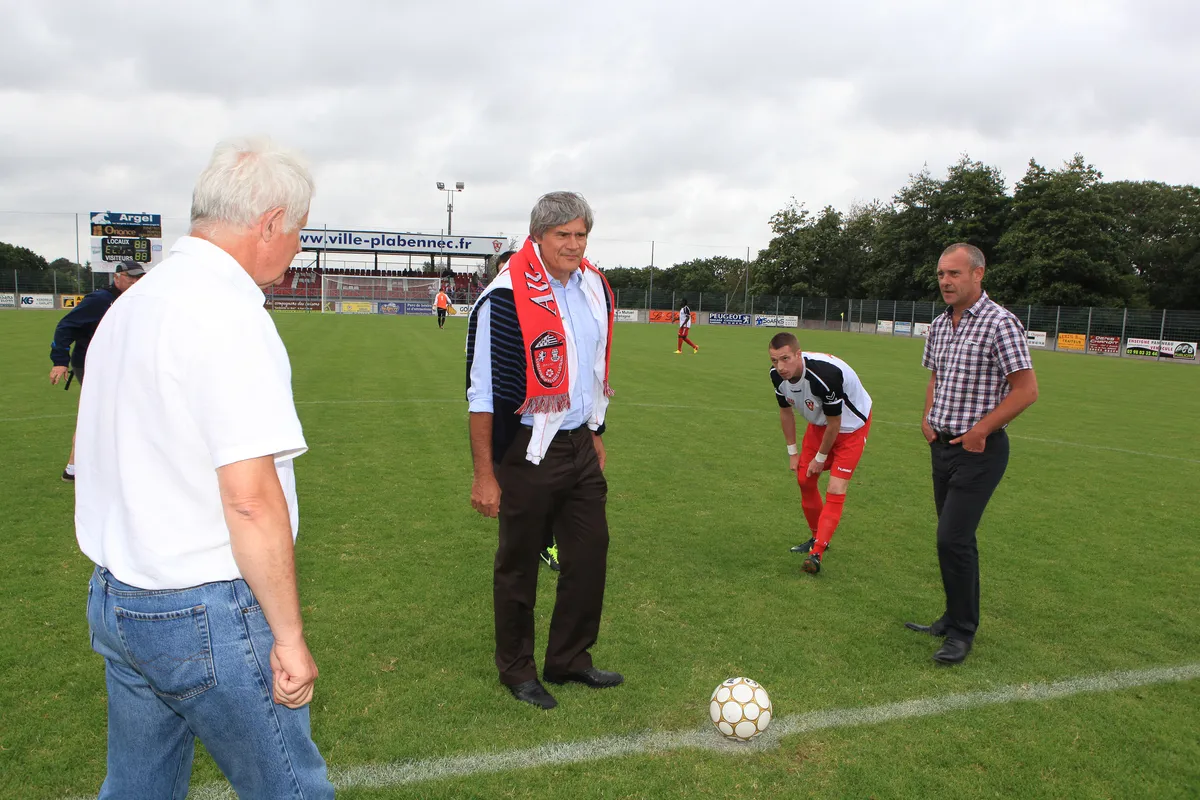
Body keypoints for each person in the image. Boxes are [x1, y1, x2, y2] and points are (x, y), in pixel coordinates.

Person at [75, 137, 334, 797]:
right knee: (291, 789)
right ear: (270, 222)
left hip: (120, 595)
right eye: (297, 231)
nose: (297, 248)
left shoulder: (133, 304)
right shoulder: (226, 314)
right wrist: (290, 636)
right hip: (199, 607)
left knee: (137, 787)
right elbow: (251, 497)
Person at [466, 191, 621, 710]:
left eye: (581, 235)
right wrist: (484, 474)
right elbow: (483, 392)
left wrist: (596, 431)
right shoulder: (505, 295)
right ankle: (517, 669)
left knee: (590, 552)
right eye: (563, 235)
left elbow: (593, 370)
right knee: (518, 563)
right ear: (537, 237)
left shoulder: (595, 287)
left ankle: (570, 659)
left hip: (579, 441)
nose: (574, 245)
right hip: (530, 448)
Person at [906, 243, 1038, 666]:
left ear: (978, 274)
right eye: (941, 274)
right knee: (953, 540)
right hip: (941, 447)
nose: (945, 281)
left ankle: (963, 633)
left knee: (953, 538)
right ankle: (952, 616)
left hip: (980, 450)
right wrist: (927, 416)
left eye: (954, 274)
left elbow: (1026, 390)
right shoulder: (941, 324)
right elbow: (936, 377)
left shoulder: (1001, 324)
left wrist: (983, 429)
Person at [768, 332, 873, 575]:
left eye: (785, 359)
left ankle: (817, 553)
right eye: (774, 360)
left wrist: (820, 458)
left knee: (836, 488)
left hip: (851, 427)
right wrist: (792, 453)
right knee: (804, 479)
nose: (780, 367)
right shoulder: (776, 377)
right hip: (821, 425)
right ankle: (816, 537)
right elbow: (785, 412)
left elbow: (836, 423)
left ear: (798, 354)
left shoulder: (824, 376)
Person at [49, 260, 145, 481]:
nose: (135, 281)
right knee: (99, 412)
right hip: (91, 364)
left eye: (138, 277)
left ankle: (81, 466)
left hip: (117, 365)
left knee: (112, 411)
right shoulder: (100, 300)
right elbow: (66, 326)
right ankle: (76, 467)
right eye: (131, 277)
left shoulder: (133, 300)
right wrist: (60, 360)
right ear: (117, 277)